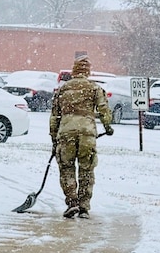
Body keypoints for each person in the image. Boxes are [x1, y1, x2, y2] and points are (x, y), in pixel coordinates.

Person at [48, 57, 113, 219]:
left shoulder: (63, 90)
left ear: (73, 71)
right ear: (88, 72)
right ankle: (84, 207)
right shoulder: (94, 88)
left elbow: (54, 117)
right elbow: (104, 110)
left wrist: (54, 139)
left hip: (65, 133)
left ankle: (72, 202)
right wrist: (108, 127)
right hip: (87, 134)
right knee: (87, 169)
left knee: (66, 168)